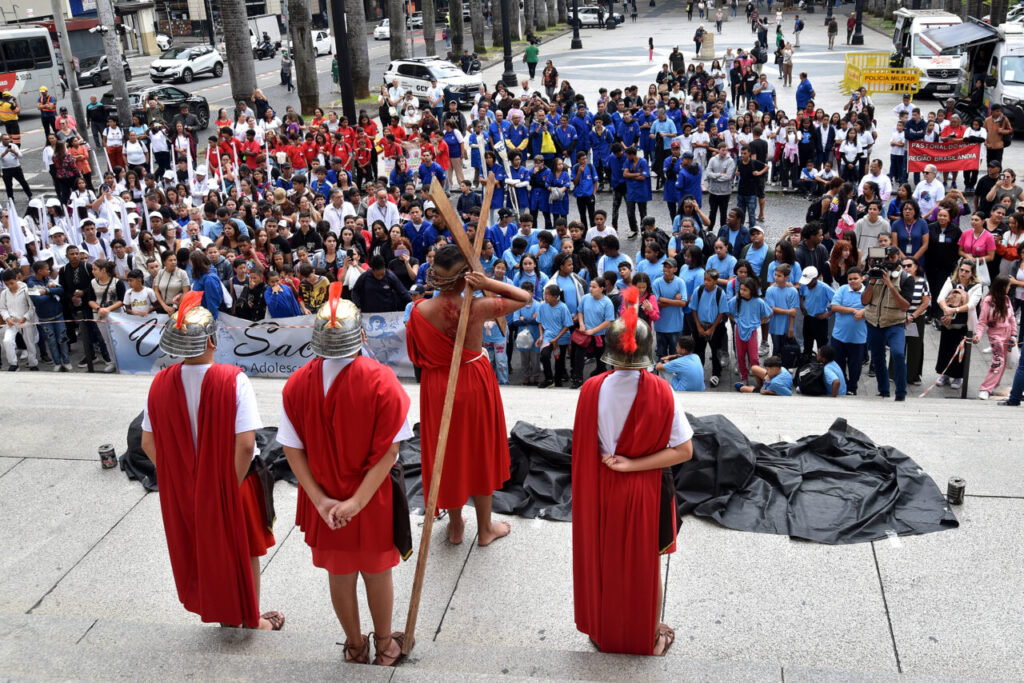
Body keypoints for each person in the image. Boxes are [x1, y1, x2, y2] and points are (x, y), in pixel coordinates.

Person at [279, 288, 413, 665]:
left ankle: (355, 645)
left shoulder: (296, 384)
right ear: (362, 336)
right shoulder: (382, 381)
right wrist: (357, 501)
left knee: (339, 575)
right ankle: (386, 645)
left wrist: (321, 500)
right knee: (376, 573)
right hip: (370, 498)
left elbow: (292, 449)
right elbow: (390, 451)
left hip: (322, 499)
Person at [140, 291, 283, 632]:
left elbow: (148, 442)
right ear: (212, 340)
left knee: (205, 549)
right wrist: (224, 487)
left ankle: (224, 616)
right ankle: (252, 620)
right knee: (245, 550)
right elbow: (247, 445)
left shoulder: (159, 383)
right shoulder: (233, 379)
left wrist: (183, 478)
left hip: (187, 487)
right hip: (234, 482)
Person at [571, 289, 694, 656]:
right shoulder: (662, 392)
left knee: (601, 559)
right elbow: (684, 450)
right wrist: (635, 464)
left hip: (600, 486)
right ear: (647, 352)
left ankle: (601, 627)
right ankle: (650, 635)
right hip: (644, 488)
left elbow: (582, 448)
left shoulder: (591, 389)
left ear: (608, 353)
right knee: (644, 565)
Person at [406, 244, 532, 545]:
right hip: (473, 382)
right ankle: (485, 528)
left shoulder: (418, 312)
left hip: (438, 385)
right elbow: (524, 297)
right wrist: (486, 282)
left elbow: (415, 355)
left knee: (447, 454)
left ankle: (455, 525)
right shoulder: (476, 306)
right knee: (479, 452)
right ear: (467, 277)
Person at [862, 246, 914, 400]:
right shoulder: (874, 275)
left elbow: (905, 306)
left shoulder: (906, 278)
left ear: (898, 257)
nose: (888, 261)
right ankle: (883, 390)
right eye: (886, 258)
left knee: (898, 354)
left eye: (892, 258)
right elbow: (864, 301)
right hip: (874, 323)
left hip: (895, 323)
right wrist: (871, 282)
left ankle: (901, 393)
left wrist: (890, 285)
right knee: (877, 358)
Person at [1, 268, 39, 371]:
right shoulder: (4, 293)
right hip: (12, 322)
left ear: (16, 279)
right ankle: (13, 364)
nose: (10, 286)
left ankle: (33, 363)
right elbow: (3, 308)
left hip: (25, 321)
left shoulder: (26, 290)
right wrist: (7, 318)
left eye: (11, 283)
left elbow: (32, 307)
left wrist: (25, 317)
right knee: (7, 341)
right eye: (7, 284)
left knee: (29, 343)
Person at [0, 133, 31, 199]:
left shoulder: (13, 146)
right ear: (1, 140)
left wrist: (13, 151)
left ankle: (30, 196)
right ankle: (11, 199)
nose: (8, 140)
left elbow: (20, 156)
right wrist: (5, 152)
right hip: (6, 169)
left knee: (23, 182)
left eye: (8, 139)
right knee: (8, 186)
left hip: (16, 168)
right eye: (5, 139)